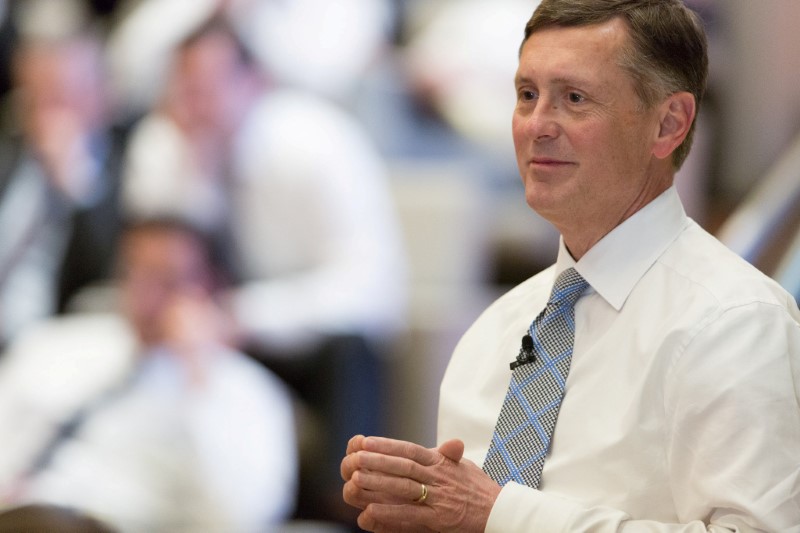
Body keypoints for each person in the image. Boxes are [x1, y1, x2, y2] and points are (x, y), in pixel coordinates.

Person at [341, 1, 800, 531]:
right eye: (526, 95)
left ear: (668, 124)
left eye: (574, 99)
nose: (536, 126)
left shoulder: (737, 323)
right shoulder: (494, 332)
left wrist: (496, 514)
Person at [121, 14, 406, 526]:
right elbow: (147, 263)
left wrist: (244, 316)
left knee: (351, 351)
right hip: (210, 329)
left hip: (310, 339)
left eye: (207, 86)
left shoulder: (316, 143)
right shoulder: (163, 149)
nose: (192, 104)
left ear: (254, 82)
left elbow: (372, 290)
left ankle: (347, 515)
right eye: (182, 87)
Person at [0, 217, 297, 532]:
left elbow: (241, 518)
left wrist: (198, 379)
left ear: (211, 288)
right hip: (21, 511)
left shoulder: (245, 392)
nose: (145, 294)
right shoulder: (54, 344)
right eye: (133, 273)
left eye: (166, 279)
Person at [0, 26, 128, 349]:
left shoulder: (127, 163)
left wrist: (77, 182)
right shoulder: (9, 152)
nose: (48, 112)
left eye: (63, 95)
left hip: (58, 344)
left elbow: (107, 276)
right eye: (37, 95)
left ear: (103, 95)